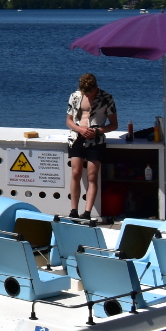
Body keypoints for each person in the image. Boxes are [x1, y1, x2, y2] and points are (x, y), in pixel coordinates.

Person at [66, 73, 118, 222]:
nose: (87, 95)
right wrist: (80, 129)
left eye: (90, 92)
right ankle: (74, 210)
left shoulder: (106, 98)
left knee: (92, 176)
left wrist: (97, 131)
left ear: (95, 87)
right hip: (77, 137)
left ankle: (87, 212)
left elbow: (114, 124)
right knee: (75, 173)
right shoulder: (75, 96)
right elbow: (69, 121)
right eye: (85, 92)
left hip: (96, 140)